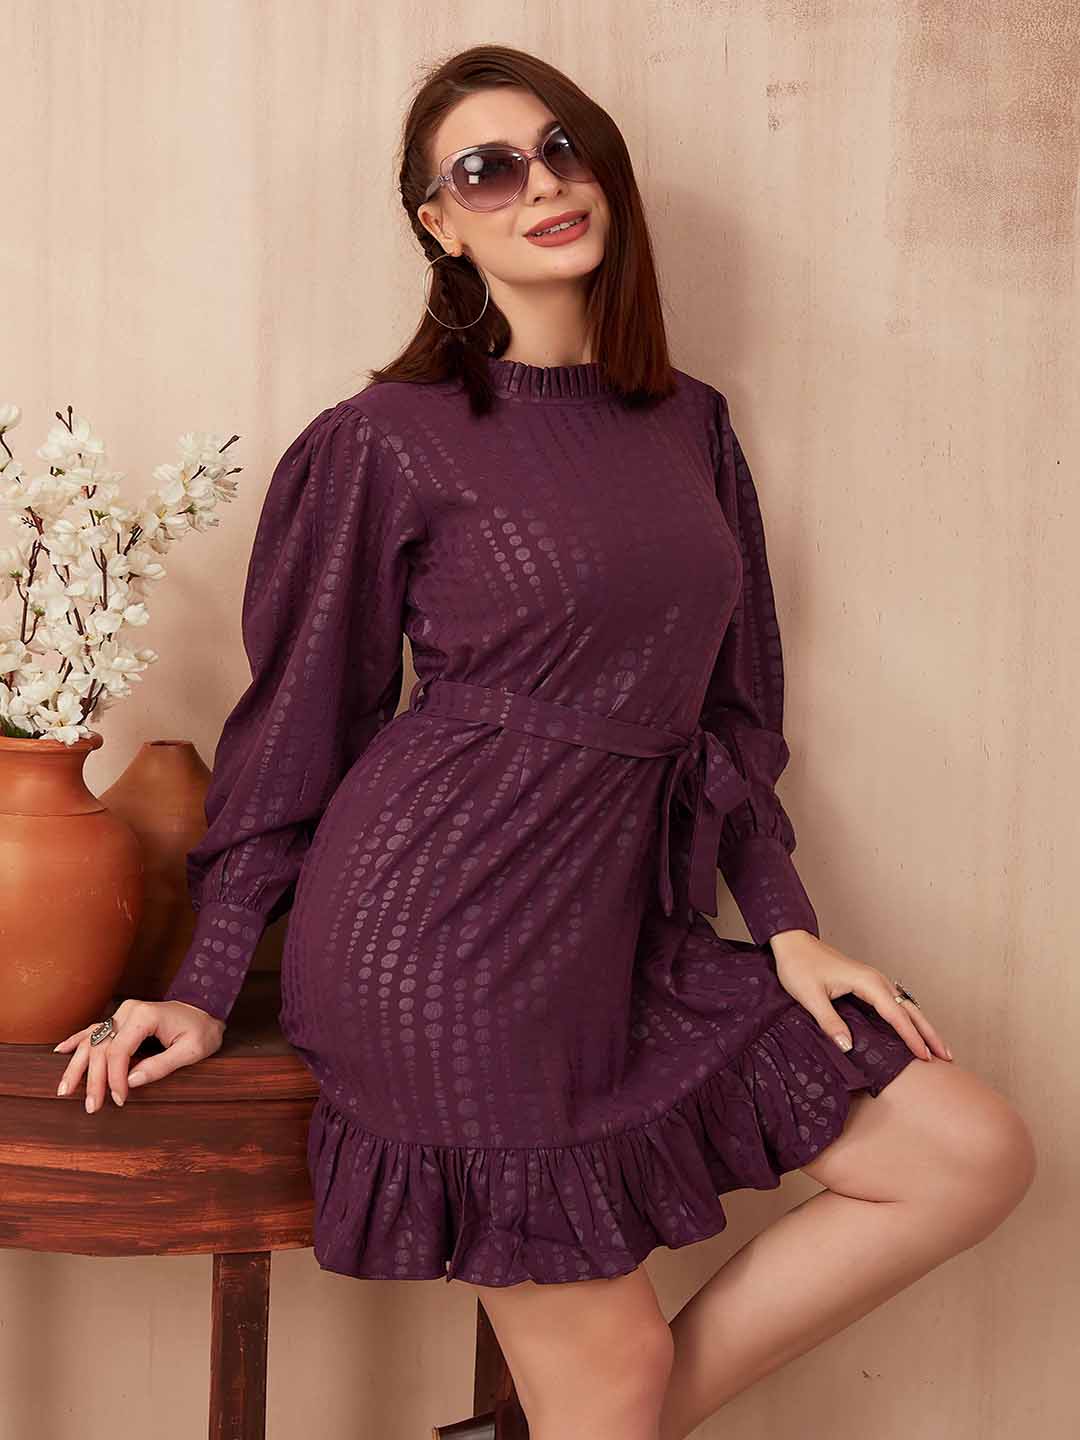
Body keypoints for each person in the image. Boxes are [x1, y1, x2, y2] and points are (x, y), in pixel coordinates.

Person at [54, 43, 1036, 1440]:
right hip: (437, 936)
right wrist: (208, 982)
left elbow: (731, 717)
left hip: (618, 932)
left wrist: (787, 925)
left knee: (968, 1152)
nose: (541, 185)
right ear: (438, 224)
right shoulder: (386, 436)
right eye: (487, 169)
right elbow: (301, 721)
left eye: (563, 148)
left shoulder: (692, 425)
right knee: (611, 1387)